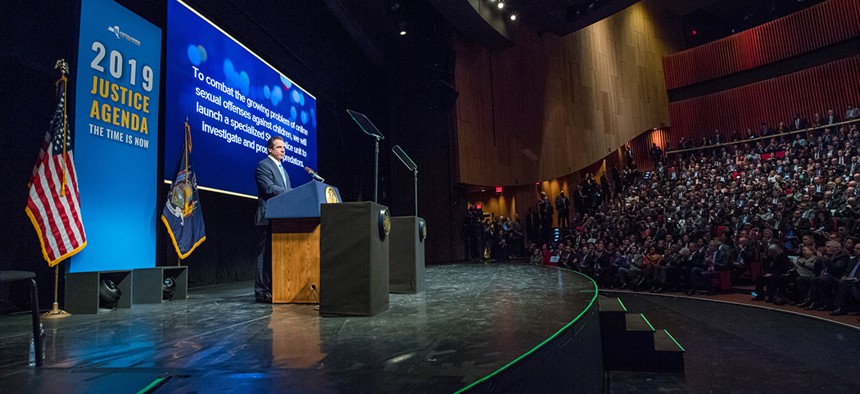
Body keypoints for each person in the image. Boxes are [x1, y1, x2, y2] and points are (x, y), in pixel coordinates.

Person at [254, 136, 291, 303]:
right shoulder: (263, 166)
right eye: (279, 147)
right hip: (267, 217)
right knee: (264, 256)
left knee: (275, 255)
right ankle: (261, 292)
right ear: (270, 149)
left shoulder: (284, 170)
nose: (283, 150)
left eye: (283, 147)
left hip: (280, 218)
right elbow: (268, 188)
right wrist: (290, 192)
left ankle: (275, 288)